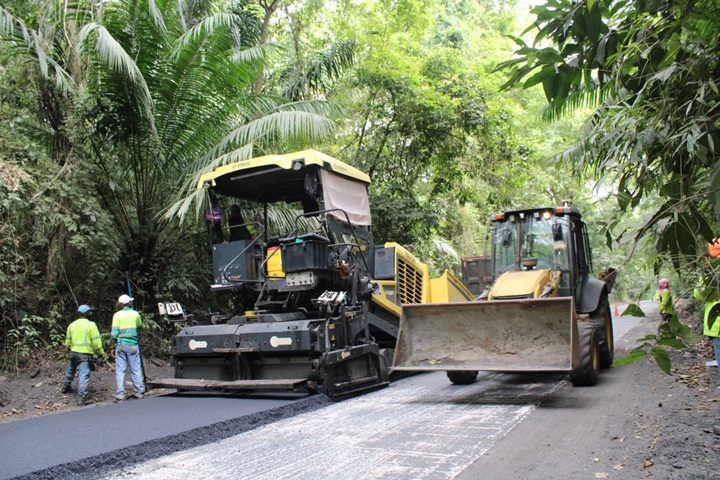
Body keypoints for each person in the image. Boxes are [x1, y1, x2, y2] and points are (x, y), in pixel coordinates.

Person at [61, 304, 106, 406]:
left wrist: (68, 349)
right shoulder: (91, 325)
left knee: (71, 369)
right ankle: (81, 398)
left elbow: (68, 341)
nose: (90, 313)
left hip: (73, 352)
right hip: (85, 354)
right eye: (89, 312)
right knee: (84, 374)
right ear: (86, 313)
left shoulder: (72, 325)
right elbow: (96, 342)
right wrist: (101, 353)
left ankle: (65, 387)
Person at [111, 294, 145, 401]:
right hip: (133, 344)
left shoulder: (116, 315)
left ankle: (120, 393)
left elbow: (114, 334)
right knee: (135, 368)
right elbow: (139, 325)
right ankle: (139, 391)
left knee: (120, 370)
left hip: (121, 344)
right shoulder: (135, 314)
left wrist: (111, 347)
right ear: (129, 303)